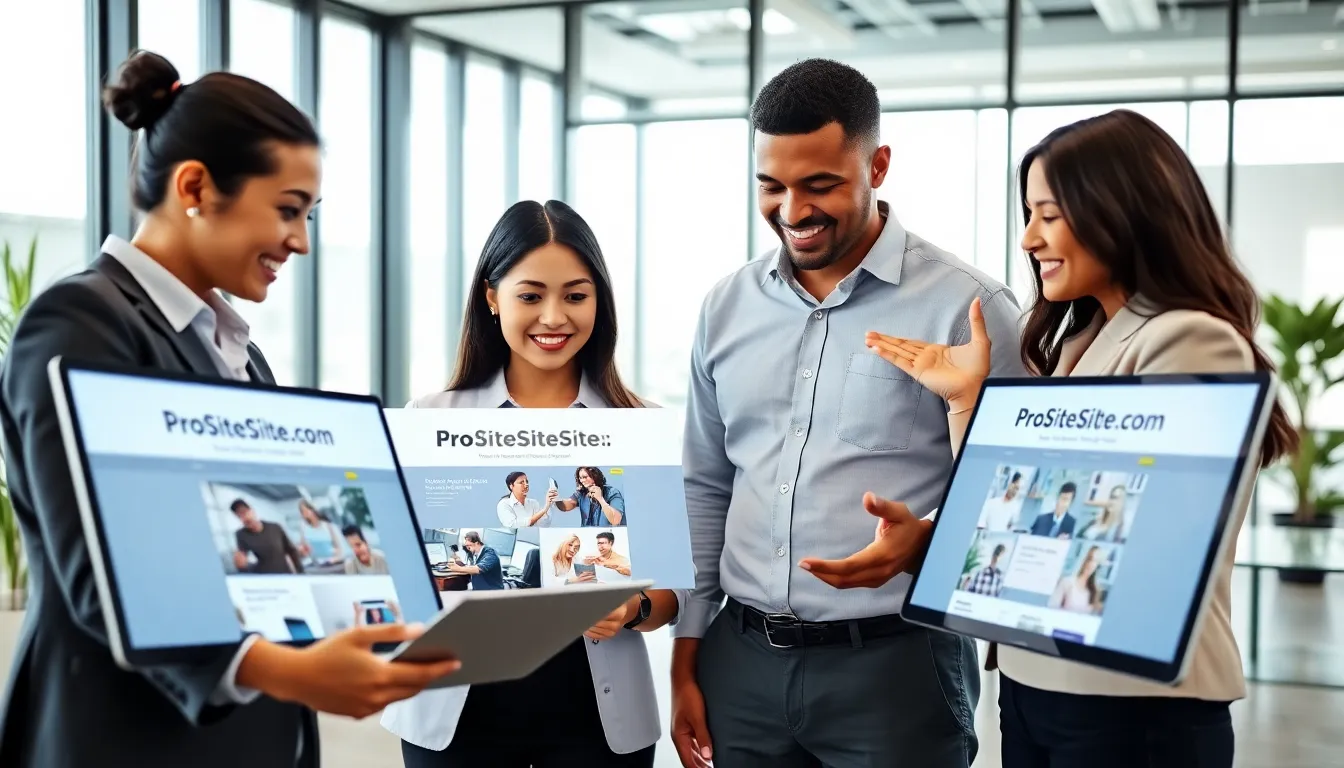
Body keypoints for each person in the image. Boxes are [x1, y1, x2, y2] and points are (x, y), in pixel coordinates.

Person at [0, 50, 459, 768]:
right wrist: (288, 671)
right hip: (127, 741)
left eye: (309, 215)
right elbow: (105, 568)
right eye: (287, 210)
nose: (301, 241)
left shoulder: (238, 351)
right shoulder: (79, 323)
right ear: (195, 187)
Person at [863, 108, 1297, 767]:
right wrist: (966, 401)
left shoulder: (1188, 338)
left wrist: (943, 539)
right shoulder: (1077, 341)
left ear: (1121, 213)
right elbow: (1017, 502)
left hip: (1132, 699)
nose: (1028, 239)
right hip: (1038, 680)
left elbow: (1118, 530)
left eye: (1049, 214)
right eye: (1028, 214)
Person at [671, 58, 1027, 768]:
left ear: (878, 166)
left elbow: (1016, 497)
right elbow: (706, 484)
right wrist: (686, 655)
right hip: (739, 662)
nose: (793, 210)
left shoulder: (971, 309)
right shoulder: (726, 306)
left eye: (821, 185)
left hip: (898, 667)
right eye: (771, 186)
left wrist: (928, 538)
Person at [381, 199, 689, 768]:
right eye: (530, 296)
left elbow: (674, 594)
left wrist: (632, 607)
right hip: (456, 714)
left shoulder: (638, 425)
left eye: (575, 296)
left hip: (595, 721)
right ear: (492, 298)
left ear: (599, 302)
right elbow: (394, 574)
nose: (553, 317)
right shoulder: (430, 418)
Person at [231, 499, 305, 574]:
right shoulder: (241, 535)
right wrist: (241, 566)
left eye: (244, 512)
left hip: (285, 573)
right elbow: (243, 563)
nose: (244, 518)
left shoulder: (275, 527)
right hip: (264, 576)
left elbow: (291, 551)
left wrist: (300, 572)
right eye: (239, 516)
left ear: (252, 511)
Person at [553, 465, 627, 526]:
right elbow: (566, 506)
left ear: (594, 476)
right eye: (580, 478)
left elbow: (615, 520)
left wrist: (600, 499)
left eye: (585, 477)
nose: (582, 481)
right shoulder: (581, 493)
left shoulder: (612, 493)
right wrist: (555, 499)